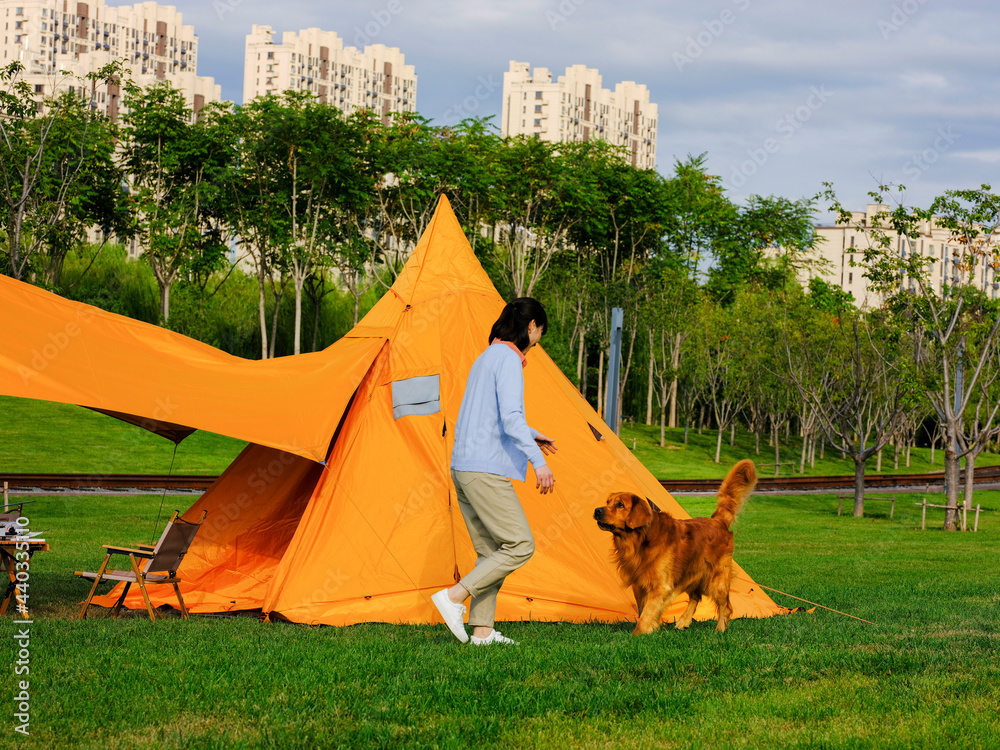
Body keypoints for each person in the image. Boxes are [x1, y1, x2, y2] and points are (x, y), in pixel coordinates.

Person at [431, 297, 557, 646]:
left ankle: (483, 632)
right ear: (531, 327)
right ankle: (453, 597)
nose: (538, 342)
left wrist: (534, 435)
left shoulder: (487, 357)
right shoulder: (508, 360)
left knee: (490, 552)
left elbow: (492, 415)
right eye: (540, 334)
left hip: (464, 467)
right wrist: (539, 462)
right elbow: (510, 418)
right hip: (483, 470)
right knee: (520, 544)